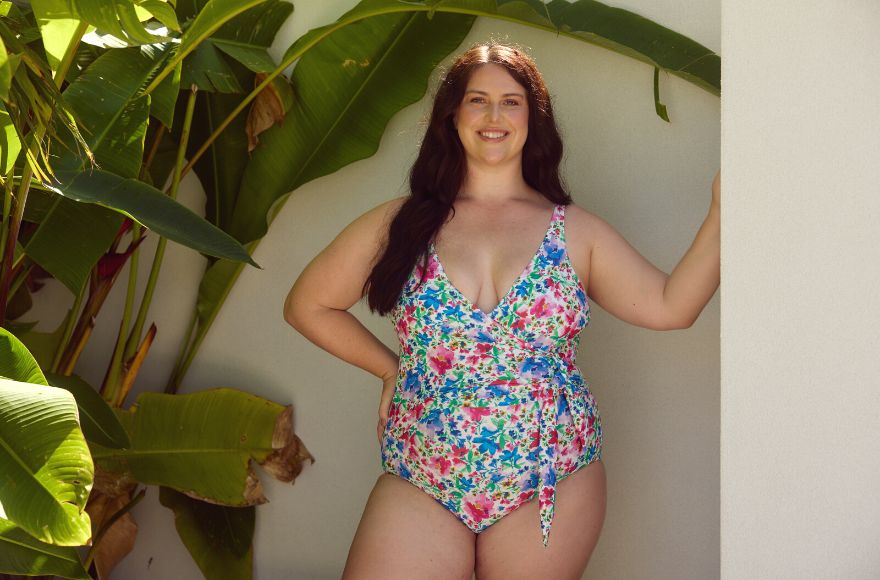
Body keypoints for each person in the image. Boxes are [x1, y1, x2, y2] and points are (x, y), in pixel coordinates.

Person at [284, 42, 720, 579]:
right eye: (478, 100)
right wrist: (389, 368)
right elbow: (308, 304)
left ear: (533, 120)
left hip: (551, 480)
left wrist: (723, 212)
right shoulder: (401, 222)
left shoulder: (574, 231)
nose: (494, 116)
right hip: (424, 474)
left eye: (511, 102)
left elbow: (671, 305)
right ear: (453, 115)